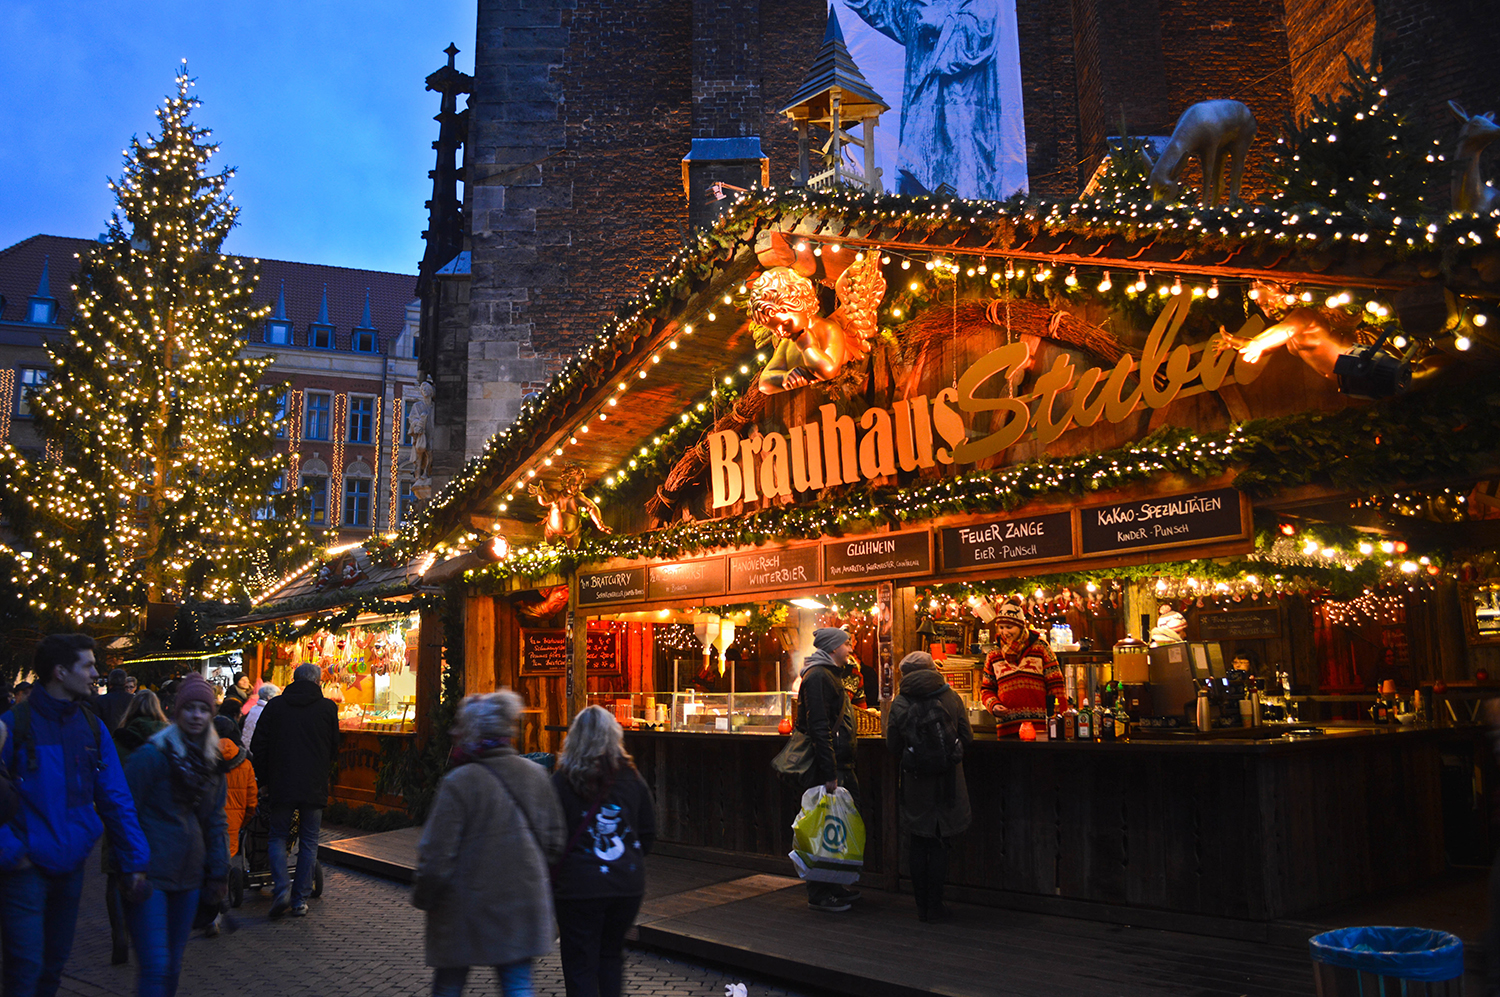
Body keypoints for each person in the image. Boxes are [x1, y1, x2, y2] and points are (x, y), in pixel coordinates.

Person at [0, 633, 150, 996]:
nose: (96, 673)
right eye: (88, 665)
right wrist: (11, 852)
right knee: (26, 967)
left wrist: (134, 861)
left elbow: (116, 797)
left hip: (69, 867)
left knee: (53, 966)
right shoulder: (12, 726)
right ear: (60, 671)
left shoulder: (91, 728)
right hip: (25, 868)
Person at [414, 692, 565, 997]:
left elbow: (436, 855)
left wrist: (424, 896)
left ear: (473, 731)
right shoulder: (536, 775)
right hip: (521, 903)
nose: (453, 731)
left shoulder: (459, 782)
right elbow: (555, 842)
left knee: (449, 983)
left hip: (463, 908)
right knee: (517, 982)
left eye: (459, 725)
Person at [124, 673, 228, 996]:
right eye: (190, 709)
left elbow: (215, 820)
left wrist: (219, 871)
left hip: (190, 876)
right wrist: (130, 865)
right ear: (176, 712)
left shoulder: (211, 763)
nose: (196, 716)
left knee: (172, 965)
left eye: (203, 709)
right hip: (150, 874)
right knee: (155, 965)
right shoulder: (152, 756)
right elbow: (124, 811)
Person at [844, 0, 1008, 200]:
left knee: (963, 188)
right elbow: (883, 8)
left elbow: (982, 33)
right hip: (921, 122)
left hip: (962, 122)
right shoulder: (915, 7)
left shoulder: (976, 4)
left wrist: (944, 22)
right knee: (915, 189)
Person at [551, 706, 655, 997]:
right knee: (610, 956)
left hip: (577, 888)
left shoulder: (562, 781)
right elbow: (648, 833)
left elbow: (550, 835)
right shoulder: (632, 778)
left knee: (579, 963)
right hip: (625, 886)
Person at [886, 652, 972, 922]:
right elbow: (966, 737)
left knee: (918, 842)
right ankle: (936, 905)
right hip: (949, 782)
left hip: (916, 783)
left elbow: (892, 746)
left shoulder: (899, 701)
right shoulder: (950, 696)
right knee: (940, 843)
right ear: (933, 669)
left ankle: (921, 907)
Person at [249, 663, 338, 918]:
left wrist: (264, 780)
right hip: (314, 784)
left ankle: (281, 891)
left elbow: (259, 745)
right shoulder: (328, 708)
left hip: (281, 782)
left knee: (277, 836)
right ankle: (299, 900)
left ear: (293, 680)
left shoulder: (275, 707)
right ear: (318, 682)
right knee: (309, 841)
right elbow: (334, 746)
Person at [796, 627, 861, 913]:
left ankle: (833, 884)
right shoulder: (819, 676)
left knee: (836, 829)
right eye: (846, 644)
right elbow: (819, 726)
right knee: (823, 829)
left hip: (839, 763)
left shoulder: (828, 673)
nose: (849, 649)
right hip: (828, 768)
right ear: (834, 648)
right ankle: (820, 892)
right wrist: (829, 771)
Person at [106, 690, 172, 965]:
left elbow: (108, 776)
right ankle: (148, 933)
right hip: (157, 818)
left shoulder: (118, 739)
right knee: (155, 874)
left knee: (115, 875)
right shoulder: (170, 738)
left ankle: (120, 934)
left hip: (122, 815)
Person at [201, 715, 255, 938]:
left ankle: (211, 914)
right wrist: (245, 819)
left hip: (209, 820)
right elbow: (252, 799)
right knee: (223, 864)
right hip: (234, 822)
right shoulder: (245, 762)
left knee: (208, 866)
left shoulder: (203, 756)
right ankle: (215, 914)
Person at [980, 603, 1063, 737]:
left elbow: (1056, 685)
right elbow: (986, 689)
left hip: (1040, 727)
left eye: (1009, 627)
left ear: (1020, 626)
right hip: (1007, 728)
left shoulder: (1040, 648)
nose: (1005, 632)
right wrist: (993, 706)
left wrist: (1059, 720)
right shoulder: (993, 655)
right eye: (1001, 627)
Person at [240, 683, 277, 758]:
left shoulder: (254, 708)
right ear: (269, 697)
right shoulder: (266, 711)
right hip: (256, 749)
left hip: (246, 745)